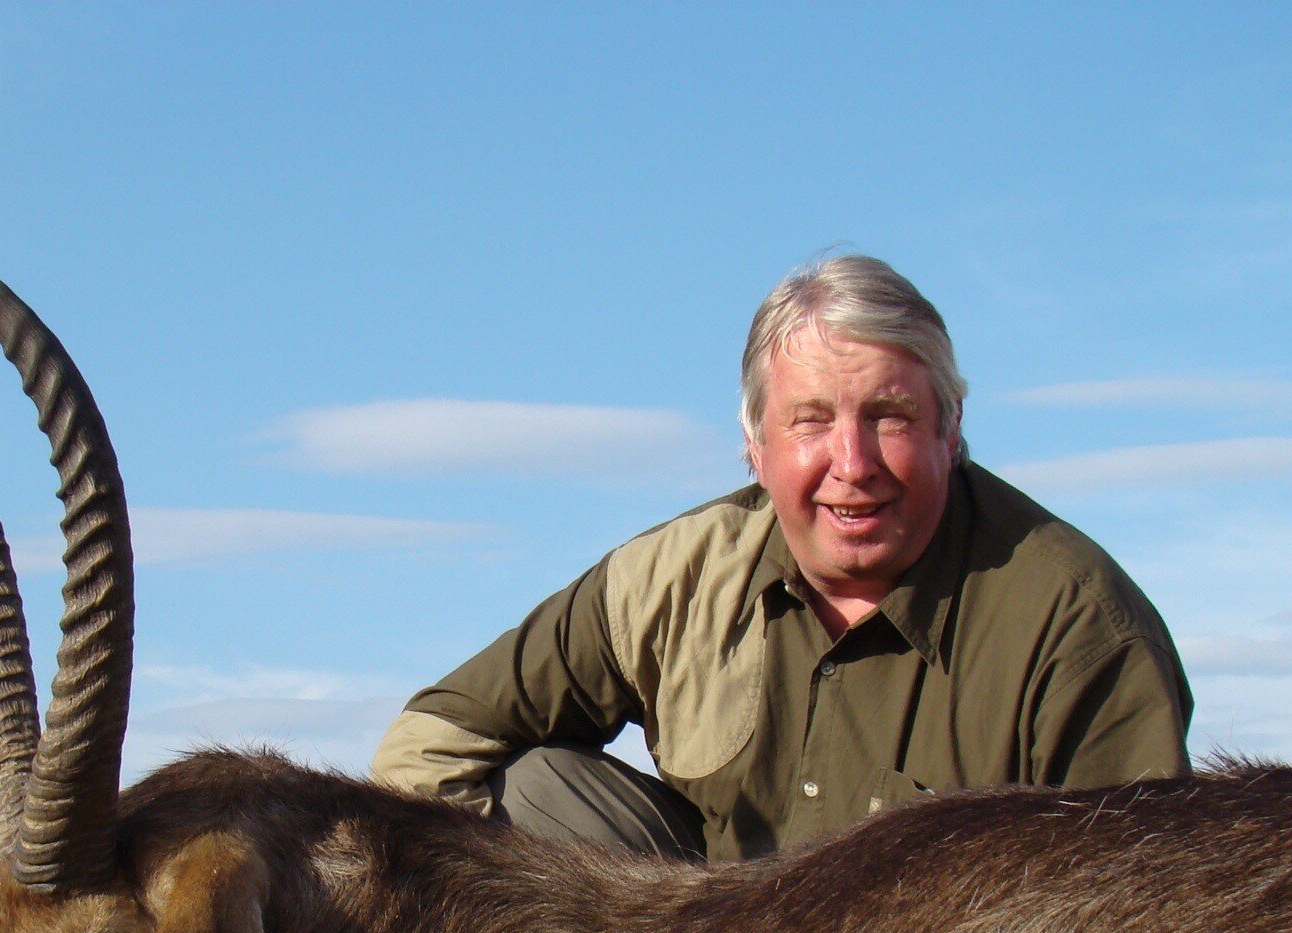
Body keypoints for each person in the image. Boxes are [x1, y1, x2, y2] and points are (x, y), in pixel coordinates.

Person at [371, 255, 1192, 861]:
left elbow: (1140, 923)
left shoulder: (1079, 625)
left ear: (951, 430)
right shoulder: (671, 581)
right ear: (755, 446)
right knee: (535, 788)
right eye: (809, 421)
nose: (853, 462)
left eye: (891, 415)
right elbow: (431, 742)